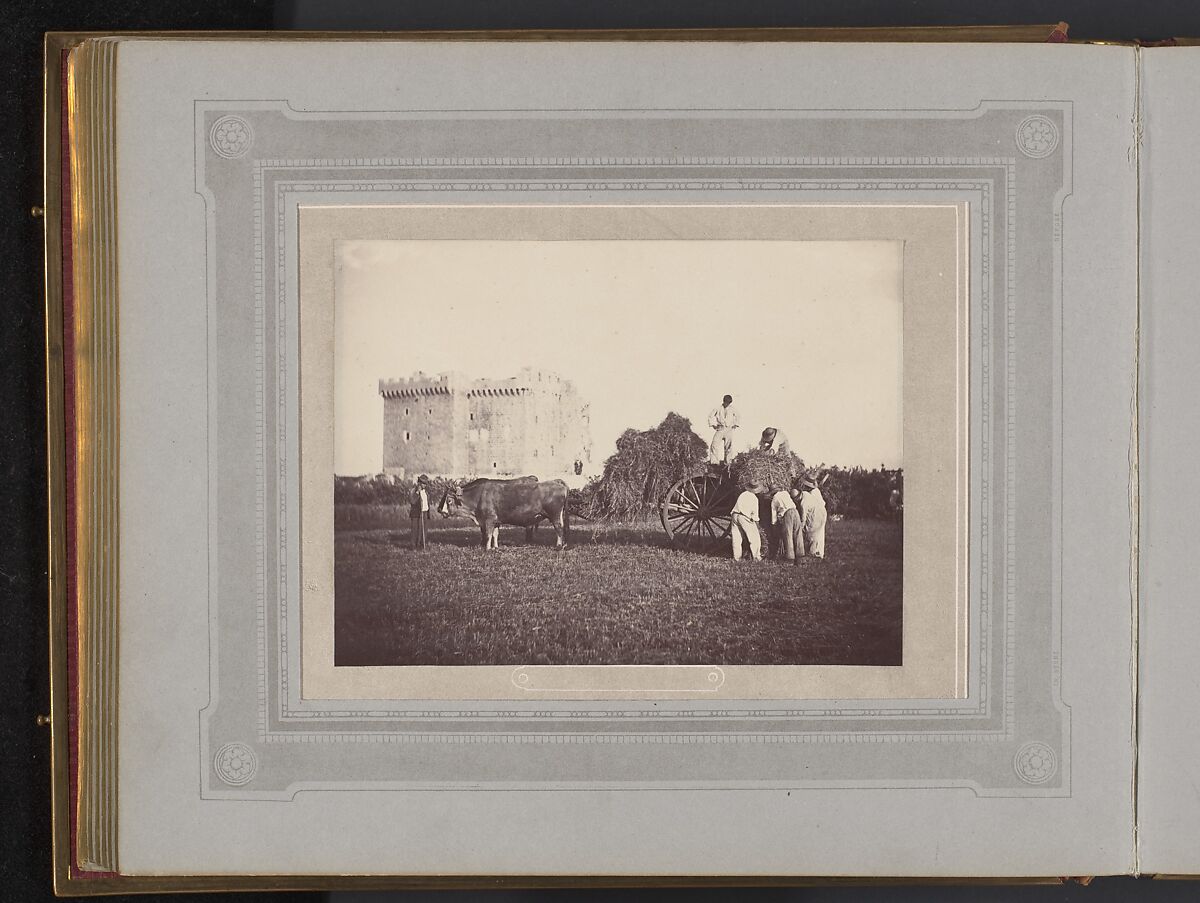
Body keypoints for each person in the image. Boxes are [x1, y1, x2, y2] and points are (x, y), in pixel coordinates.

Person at [794, 475, 828, 559]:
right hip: (819, 511)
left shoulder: (811, 494)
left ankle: (814, 553)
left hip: (818, 513)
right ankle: (818, 552)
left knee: (812, 533)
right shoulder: (806, 493)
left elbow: (803, 517)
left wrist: (800, 527)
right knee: (818, 534)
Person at [730, 481, 763, 561]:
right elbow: (755, 515)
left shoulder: (743, 494)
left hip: (735, 515)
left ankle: (737, 558)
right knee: (754, 537)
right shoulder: (754, 498)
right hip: (744, 517)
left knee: (736, 538)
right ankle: (757, 557)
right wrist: (757, 525)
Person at [770, 486, 803, 563]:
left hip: (787, 514)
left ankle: (790, 559)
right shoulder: (785, 493)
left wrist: (774, 526)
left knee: (788, 535)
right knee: (798, 533)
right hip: (795, 511)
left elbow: (773, 516)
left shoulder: (774, 499)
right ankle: (801, 558)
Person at [708, 394, 739, 465]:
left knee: (728, 446)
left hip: (729, 429)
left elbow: (738, 416)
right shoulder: (718, 408)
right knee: (714, 445)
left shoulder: (732, 409)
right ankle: (714, 462)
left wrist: (735, 424)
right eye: (726, 402)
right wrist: (713, 425)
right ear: (723, 401)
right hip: (720, 428)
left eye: (729, 403)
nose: (727, 404)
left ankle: (727, 462)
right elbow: (710, 416)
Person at [409, 474, 430, 550]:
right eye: (423, 483)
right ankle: (413, 546)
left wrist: (427, 513)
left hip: (424, 512)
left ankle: (421, 545)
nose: (424, 485)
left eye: (425, 483)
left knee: (423, 530)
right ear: (419, 483)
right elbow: (412, 501)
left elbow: (427, 503)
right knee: (415, 530)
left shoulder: (426, 492)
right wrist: (417, 492)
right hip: (416, 514)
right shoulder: (413, 491)